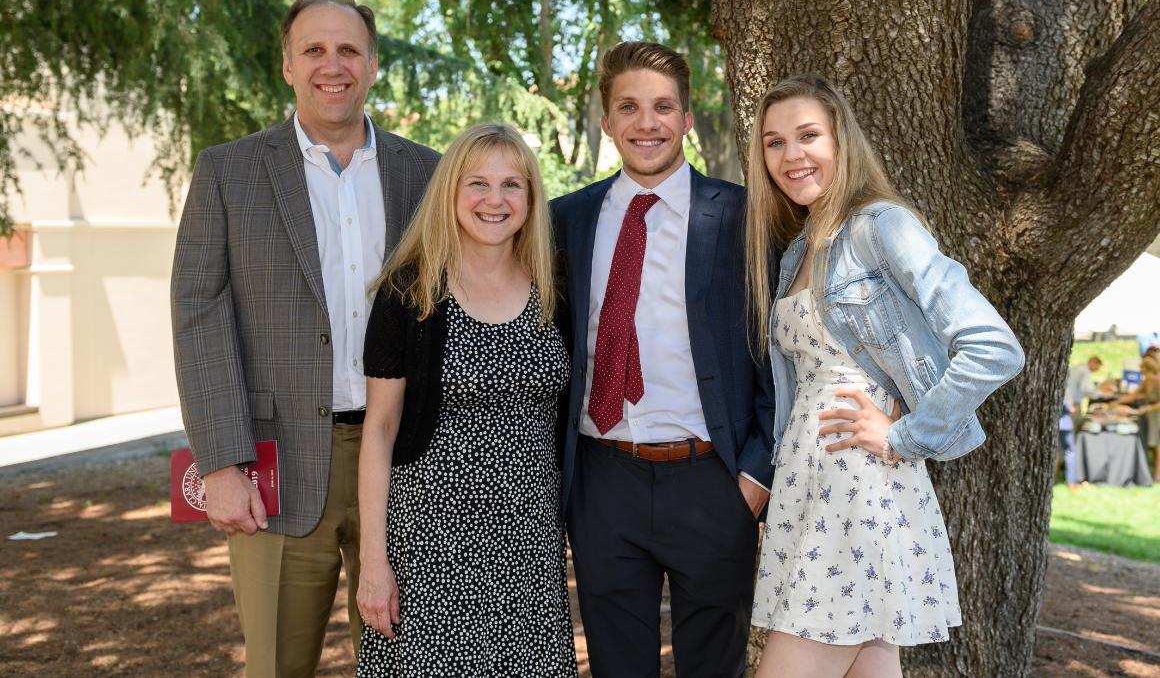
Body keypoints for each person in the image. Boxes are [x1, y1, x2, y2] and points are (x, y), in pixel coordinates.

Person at [171, 0, 439, 676]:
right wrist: (222, 461)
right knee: (277, 665)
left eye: (348, 49)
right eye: (314, 49)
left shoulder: (430, 174)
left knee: (404, 664)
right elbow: (199, 316)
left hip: (406, 462)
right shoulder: (228, 172)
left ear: (373, 64)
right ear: (287, 64)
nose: (333, 65)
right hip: (277, 467)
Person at [744, 74, 1024, 677]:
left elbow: (993, 346)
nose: (791, 156)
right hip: (810, 493)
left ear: (842, 141)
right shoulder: (799, 249)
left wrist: (907, 435)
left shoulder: (881, 227)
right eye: (774, 142)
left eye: (808, 135)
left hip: (859, 494)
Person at [552, 41, 775, 677]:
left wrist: (755, 477)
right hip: (603, 480)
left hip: (713, 479)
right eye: (628, 106)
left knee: (713, 666)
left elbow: (777, 353)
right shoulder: (566, 219)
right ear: (606, 120)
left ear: (684, 116)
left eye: (662, 107)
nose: (645, 123)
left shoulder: (741, 216)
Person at [355, 122, 577, 676]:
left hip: (528, 539)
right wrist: (373, 563)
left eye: (512, 185)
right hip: (431, 539)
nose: (495, 200)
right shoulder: (410, 291)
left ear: (531, 198)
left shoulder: (556, 287)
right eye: (477, 184)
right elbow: (380, 429)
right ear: (450, 192)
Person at [1116, 355, 1160, 481]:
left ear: (1147, 369)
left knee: (1157, 446)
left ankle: (1157, 474)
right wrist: (1118, 402)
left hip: (1157, 416)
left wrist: (1147, 408)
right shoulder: (1146, 381)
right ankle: (1151, 469)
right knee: (1151, 444)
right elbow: (1134, 395)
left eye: (1142, 370)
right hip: (1150, 417)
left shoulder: (1158, 381)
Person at [1061, 356, 1103, 487]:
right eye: (1098, 366)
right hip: (1072, 406)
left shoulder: (1076, 368)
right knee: (1070, 443)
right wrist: (1100, 393)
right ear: (1093, 362)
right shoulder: (1085, 371)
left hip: (1067, 405)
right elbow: (1085, 389)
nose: (1097, 370)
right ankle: (1071, 476)